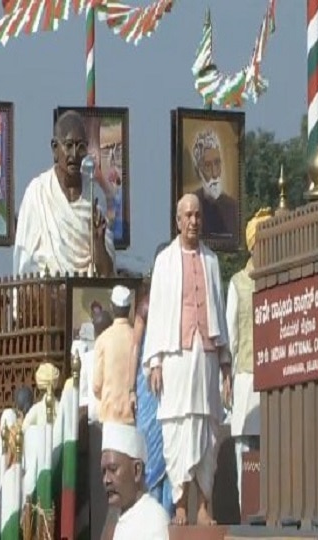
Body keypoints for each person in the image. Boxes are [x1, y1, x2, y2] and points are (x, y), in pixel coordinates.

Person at [142, 193, 232, 526]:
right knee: (177, 428)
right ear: (178, 221)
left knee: (206, 428)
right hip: (176, 357)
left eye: (197, 215)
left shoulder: (211, 261)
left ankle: (204, 505)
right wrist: (154, 362)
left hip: (205, 356)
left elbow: (219, 312)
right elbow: (158, 314)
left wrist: (225, 365)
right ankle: (180, 504)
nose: (193, 221)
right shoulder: (164, 261)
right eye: (187, 216)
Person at [13, 110, 115, 277]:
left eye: (81, 147)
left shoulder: (94, 194)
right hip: (46, 297)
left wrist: (98, 242)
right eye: (68, 146)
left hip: (86, 298)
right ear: (55, 148)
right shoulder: (38, 192)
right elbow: (24, 263)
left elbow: (107, 273)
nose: (74, 154)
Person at [226, 207, 271, 510]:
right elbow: (231, 336)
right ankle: (248, 512)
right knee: (247, 454)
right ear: (255, 244)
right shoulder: (238, 284)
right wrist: (227, 377)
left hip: (273, 381)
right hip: (245, 378)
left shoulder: (280, 279)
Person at [132, 244, 173, 514]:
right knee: (149, 450)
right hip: (147, 390)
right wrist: (130, 389)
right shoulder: (146, 305)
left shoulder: (174, 304)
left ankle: (168, 514)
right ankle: (151, 513)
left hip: (171, 386)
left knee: (171, 448)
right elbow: (136, 346)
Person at [101, 422, 170, 539]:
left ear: (137, 470)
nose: (106, 480)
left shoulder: (154, 520)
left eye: (113, 469)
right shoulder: (115, 520)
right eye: (104, 472)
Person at [94, 285, 135, 425]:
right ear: (129, 309)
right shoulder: (136, 338)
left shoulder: (103, 339)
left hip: (109, 414)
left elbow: (96, 385)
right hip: (133, 414)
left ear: (111, 307)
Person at [189, 129, 238, 239]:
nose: (215, 173)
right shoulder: (191, 205)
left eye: (217, 163)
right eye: (207, 166)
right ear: (198, 171)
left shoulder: (232, 207)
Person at [83, 310, 114, 423]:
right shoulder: (118, 354)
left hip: (95, 415)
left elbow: (83, 394)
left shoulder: (87, 358)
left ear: (95, 333)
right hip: (113, 416)